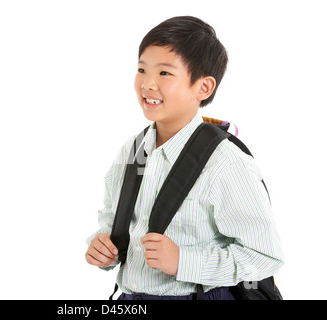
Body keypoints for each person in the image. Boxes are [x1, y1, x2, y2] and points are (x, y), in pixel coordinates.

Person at [85, 16, 284, 300]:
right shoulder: (133, 150)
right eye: (142, 69)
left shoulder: (225, 162)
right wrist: (104, 247)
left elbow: (265, 256)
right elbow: (112, 219)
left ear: (203, 87)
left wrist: (183, 261)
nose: (148, 84)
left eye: (165, 73)